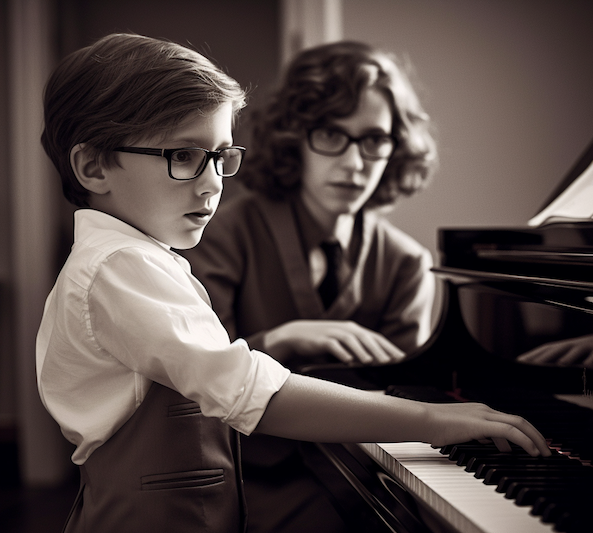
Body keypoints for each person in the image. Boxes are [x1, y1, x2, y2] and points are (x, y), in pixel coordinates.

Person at [36, 33, 550, 533]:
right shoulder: (123, 266)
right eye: (184, 156)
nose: (215, 181)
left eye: (220, 156)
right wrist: (434, 420)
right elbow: (240, 387)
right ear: (93, 165)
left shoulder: (139, 257)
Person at [180, 41, 438, 531]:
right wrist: (279, 340)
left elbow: (407, 397)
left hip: (370, 474)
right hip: (244, 477)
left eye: (374, 139)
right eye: (330, 134)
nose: (355, 162)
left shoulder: (408, 263)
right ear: (293, 137)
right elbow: (194, 387)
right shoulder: (225, 236)